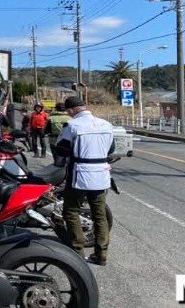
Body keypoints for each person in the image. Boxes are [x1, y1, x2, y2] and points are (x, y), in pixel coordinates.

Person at [54, 96, 115, 266]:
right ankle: (101, 254)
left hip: (79, 174)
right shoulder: (106, 124)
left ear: (71, 110)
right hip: (101, 174)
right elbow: (111, 148)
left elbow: (61, 149)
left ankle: (77, 252)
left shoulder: (72, 125)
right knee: (100, 215)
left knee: (71, 211)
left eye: (68, 111)